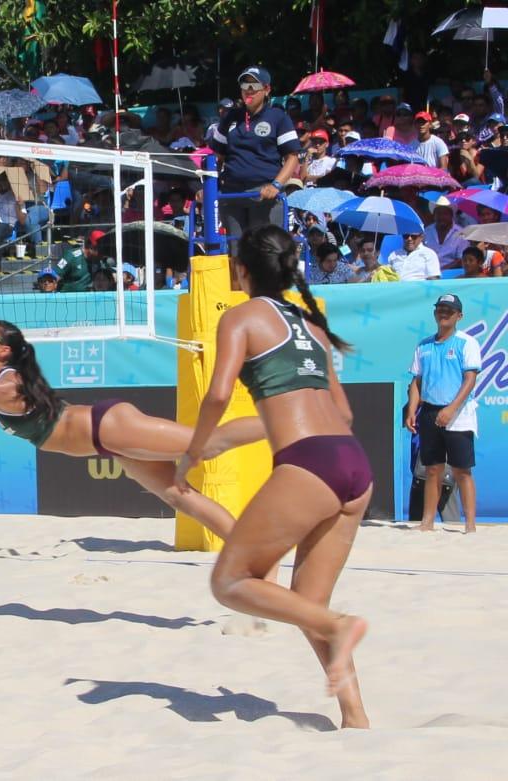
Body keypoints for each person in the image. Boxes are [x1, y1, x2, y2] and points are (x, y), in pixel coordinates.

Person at [173, 225, 370, 729]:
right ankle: (355, 717)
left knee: (230, 581)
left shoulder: (240, 316)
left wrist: (195, 451)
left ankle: (340, 625)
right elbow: (342, 413)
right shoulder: (313, 325)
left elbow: (217, 395)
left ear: (241, 269)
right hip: (353, 464)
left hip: (310, 464)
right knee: (305, 604)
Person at [0, 322, 264, 543]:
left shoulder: (6, 386)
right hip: (107, 443)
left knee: (207, 445)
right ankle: (250, 551)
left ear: (3, 350)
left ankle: (289, 426)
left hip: (110, 427)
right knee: (179, 496)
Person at [405, 293, 482, 533]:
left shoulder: (466, 342)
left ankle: (470, 525)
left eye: (449, 310)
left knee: (461, 470)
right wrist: (412, 409)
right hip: (429, 411)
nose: (444, 312)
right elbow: (417, 382)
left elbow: (470, 380)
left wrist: (451, 408)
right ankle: (427, 522)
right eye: (440, 308)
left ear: (459, 315)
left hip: (459, 413)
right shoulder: (424, 345)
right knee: (432, 469)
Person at [209, 66, 301, 250]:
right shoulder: (230, 117)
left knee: (267, 254)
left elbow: (292, 157)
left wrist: (276, 185)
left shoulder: (278, 117)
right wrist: (208, 186)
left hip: (264, 194)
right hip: (232, 194)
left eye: (254, 85)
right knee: (237, 255)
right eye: (245, 84)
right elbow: (217, 156)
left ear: (266, 89)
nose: (248, 90)